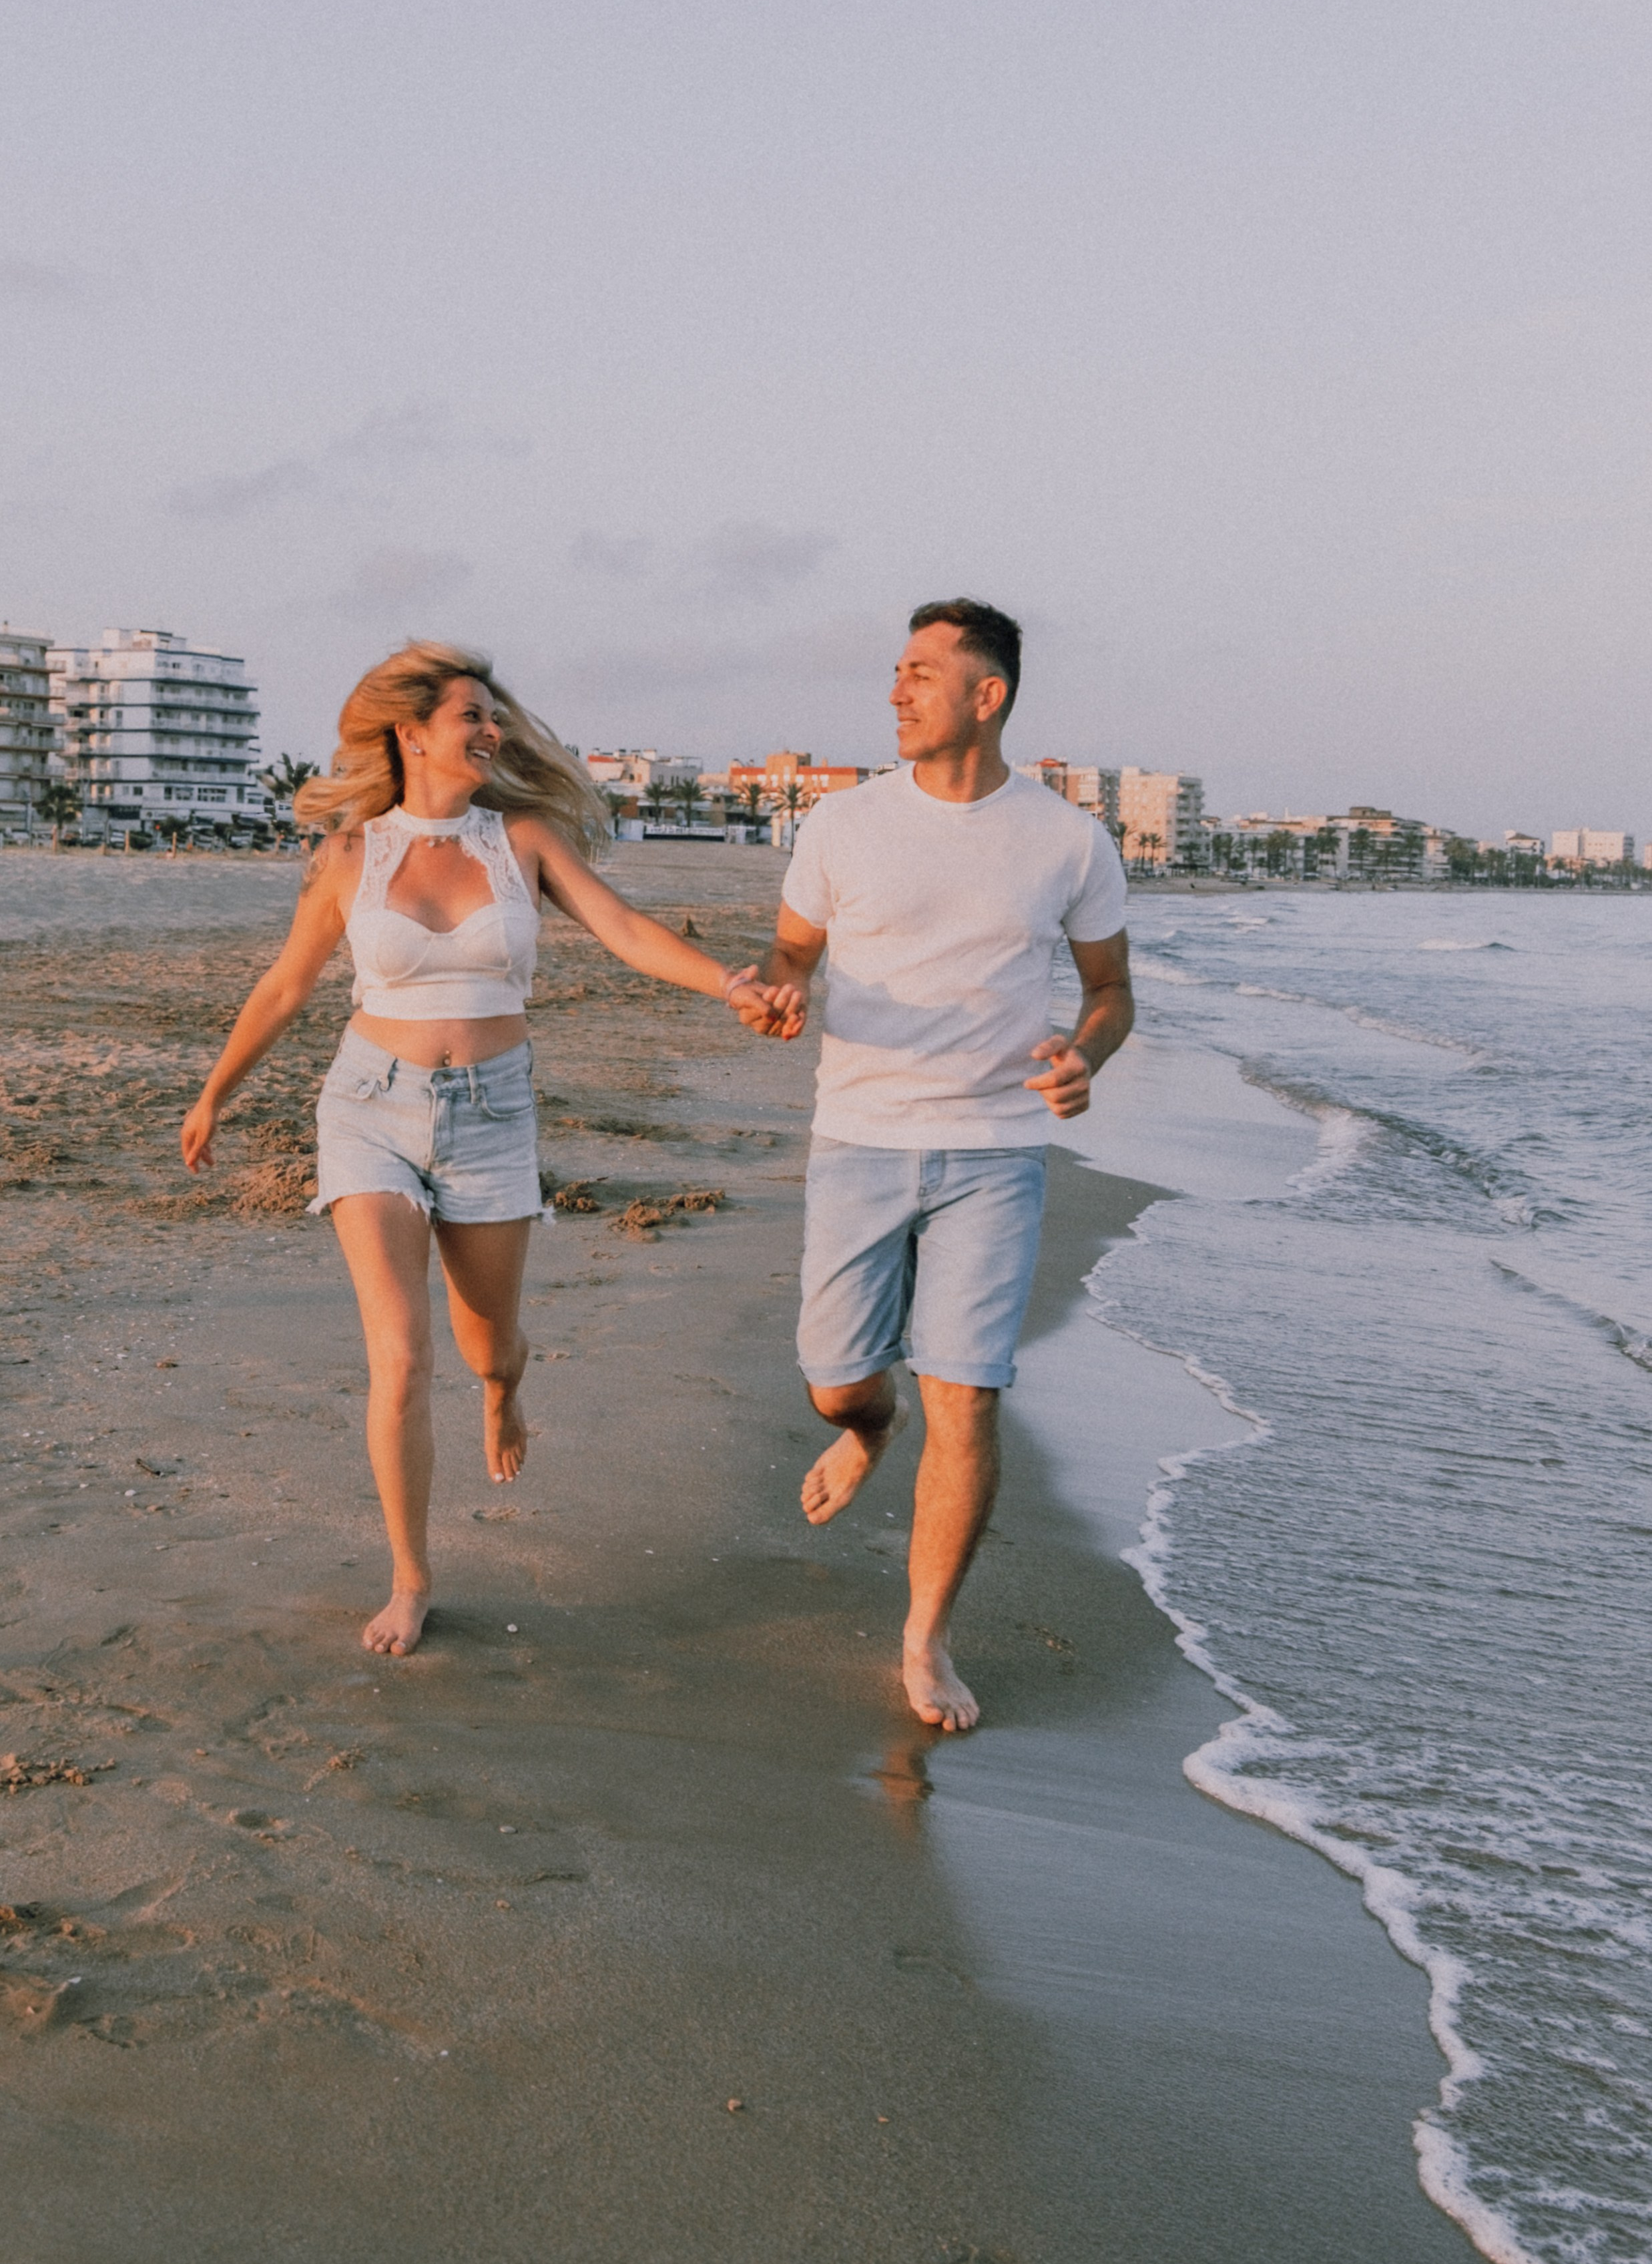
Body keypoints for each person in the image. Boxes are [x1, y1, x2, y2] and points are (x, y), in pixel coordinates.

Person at [181, 642, 800, 1658]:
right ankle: (411, 1576)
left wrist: (727, 983)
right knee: (403, 1354)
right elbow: (287, 985)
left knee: (483, 1346)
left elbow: (625, 930)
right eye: (471, 714)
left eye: (494, 716)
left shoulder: (525, 840)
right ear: (412, 731)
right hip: (369, 1106)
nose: (490, 730)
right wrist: (215, 1092)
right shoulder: (350, 858)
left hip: (492, 1115)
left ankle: (509, 1389)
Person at [749, 600, 1133, 1733]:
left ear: (987, 693)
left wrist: (1083, 1054)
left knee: (967, 1396)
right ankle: (868, 1428)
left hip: (996, 1152)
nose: (895, 691)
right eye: (896, 671)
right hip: (859, 1136)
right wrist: (781, 987)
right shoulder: (843, 826)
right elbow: (792, 950)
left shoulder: (1067, 839)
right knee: (835, 1377)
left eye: (920, 672)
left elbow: (1110, 992)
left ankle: (925, 1640)